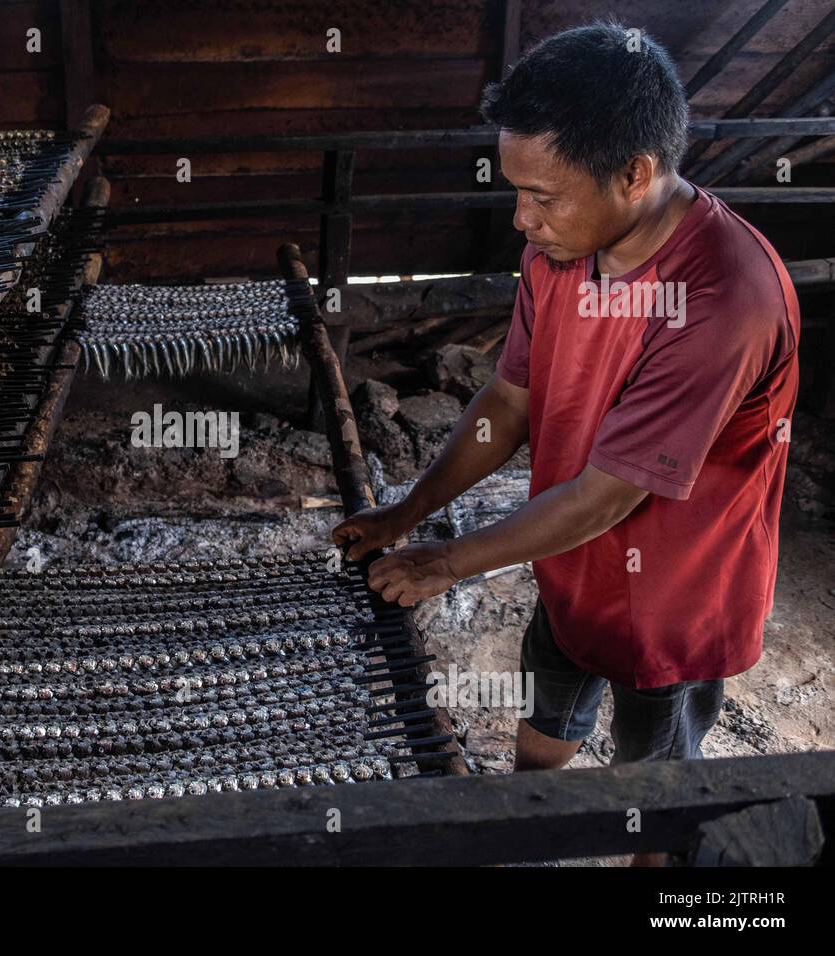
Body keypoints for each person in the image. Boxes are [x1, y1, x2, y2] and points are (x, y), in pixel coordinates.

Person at [332, 22, 799, 865]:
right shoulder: (560, 254)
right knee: (548, 703)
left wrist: (448, 560)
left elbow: (612, 493)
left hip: (675, 596)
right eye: (517, 191)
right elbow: (509, 402)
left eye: (543, 196)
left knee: (651, 776)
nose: (523, 219)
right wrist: (411, 512)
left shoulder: (723, 296)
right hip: (566, 553)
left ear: (636, 174)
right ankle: (531, 825)